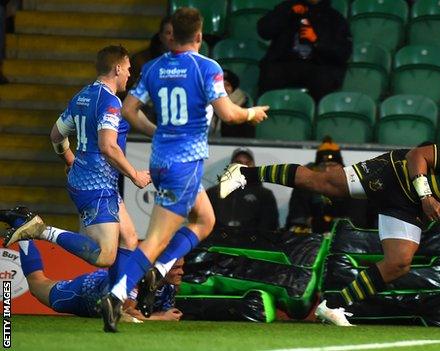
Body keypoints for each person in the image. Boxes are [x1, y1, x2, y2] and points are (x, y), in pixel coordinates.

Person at [220, 140, 440, 326]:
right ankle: (243, 173)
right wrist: (425, 195)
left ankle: (332, 306)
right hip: (393, 175)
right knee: (322, 184)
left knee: (399, 263)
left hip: (406, 207)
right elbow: (416, 156)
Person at [102, 7, 268, 332]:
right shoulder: (206, 67)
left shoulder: (152, 67)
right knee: (156, 239)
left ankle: (159, 269)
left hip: (160, 159)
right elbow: (229, 114)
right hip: (186, 163)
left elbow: (128, 108)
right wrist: (251, 114)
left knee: (205, 220)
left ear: (170, 36)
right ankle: (116, 294)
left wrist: (156, 130)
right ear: (199, 36)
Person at [4, 46, 151, 290]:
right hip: (97, 185)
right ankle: (40, 230)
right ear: (117, 68)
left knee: (129, 238)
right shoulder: (110, 101)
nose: (129, 74)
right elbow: (108, 146)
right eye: (127, 69)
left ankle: (114, 304)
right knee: (105, 256)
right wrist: (134, 175)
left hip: (90, 179)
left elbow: (56, 135)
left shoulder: (83, 96)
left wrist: (70, 160)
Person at [17, 239, 183, 321]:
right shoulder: (137, 279)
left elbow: (161, 314)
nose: (181, 272)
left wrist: (163, 316)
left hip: (101, 302)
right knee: (36, 283)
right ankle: (24, 230)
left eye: (182, 267)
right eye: (176, 268)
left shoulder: (168, 288)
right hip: (87, 292)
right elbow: (126, 314)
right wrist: (162, 318)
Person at [256, 0, 352, 102]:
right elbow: (264, 30)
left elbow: (342, 52)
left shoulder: (334, 17)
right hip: (286, 62)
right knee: (270, 73)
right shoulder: (287, 8)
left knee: (323, 79)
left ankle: (316, 114)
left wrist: (316, 41)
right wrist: (287, 12)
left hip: (317, 65)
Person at [286, 137, 373, 233]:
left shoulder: (355, 187)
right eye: (323, 166)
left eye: (332, 165)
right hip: (311, 244)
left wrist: (319, 223)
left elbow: (357, 223)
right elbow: (297, 221)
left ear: (342, 167)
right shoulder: (303, 187)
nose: (327, 170)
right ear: (316, 169)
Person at [206, 147, 278, 231]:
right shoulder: (212, 193)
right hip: (217, 242)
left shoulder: (265, 195)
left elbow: (269, 227)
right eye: (238, 162)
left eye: (248, 163)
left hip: (253, 243)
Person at [210, 70, 255, 138]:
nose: (223, 88)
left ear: (233, 88)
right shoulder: (207, 105)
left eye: (227, 85)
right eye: (221, 85)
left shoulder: (243, 108)